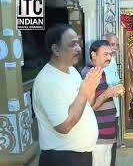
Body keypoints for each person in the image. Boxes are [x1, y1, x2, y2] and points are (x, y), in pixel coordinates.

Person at [32, 24, 101, 166]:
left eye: (78, 43)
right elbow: (64, 126)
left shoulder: (72, 71)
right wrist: (83, 93)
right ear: (56, 49)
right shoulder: (47, 81)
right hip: (62, 158)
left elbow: (88, 104)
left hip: (80, 156)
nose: (79, 49)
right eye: (72, 44)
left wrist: (91, 88)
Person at [81, 40, 124, 166]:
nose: (109, 57)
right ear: (93, 55)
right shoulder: (88, 74)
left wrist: (111, 93)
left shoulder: (101, 72)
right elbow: (89, 107)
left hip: (107, 131)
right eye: (105, 54)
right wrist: (107, 94)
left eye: (110, 54)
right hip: (98, 133)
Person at [102, 33, 121, 166]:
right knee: (106, 145)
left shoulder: (112, 60)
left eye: (116, 45)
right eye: (112, 44)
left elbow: (115, 80)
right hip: (104, 108)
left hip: (114, 106)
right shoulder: (101, 62)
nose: (114, 48)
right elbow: (106, 83)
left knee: (113, 143)